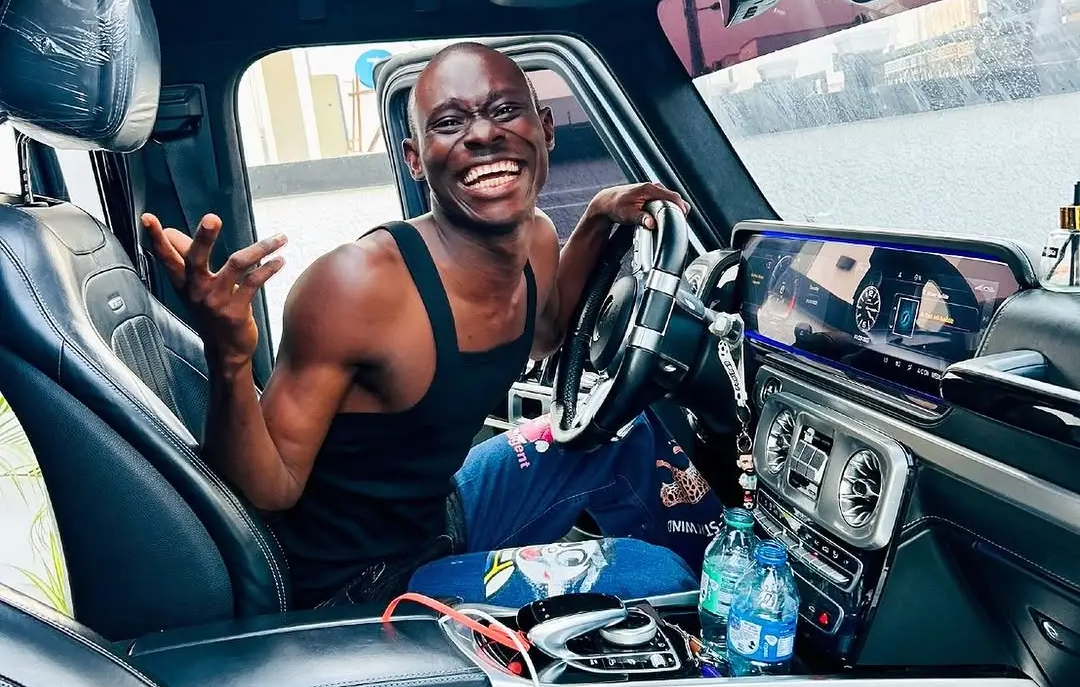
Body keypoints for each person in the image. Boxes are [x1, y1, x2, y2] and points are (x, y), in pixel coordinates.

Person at [143, 43, 723, 608]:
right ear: (416, 159)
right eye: (449, 123)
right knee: (657, 573)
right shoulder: (354, 286)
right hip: (364, 583)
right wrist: (229, 355)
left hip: (441, 515)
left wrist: (597, 218)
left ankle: (736, 587)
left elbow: (545, 333)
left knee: (625, 432)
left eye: (504, 111)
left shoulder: (540, 239)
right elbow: (271, 490)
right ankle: (721, 636)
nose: (483, 135)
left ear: (545, 128)